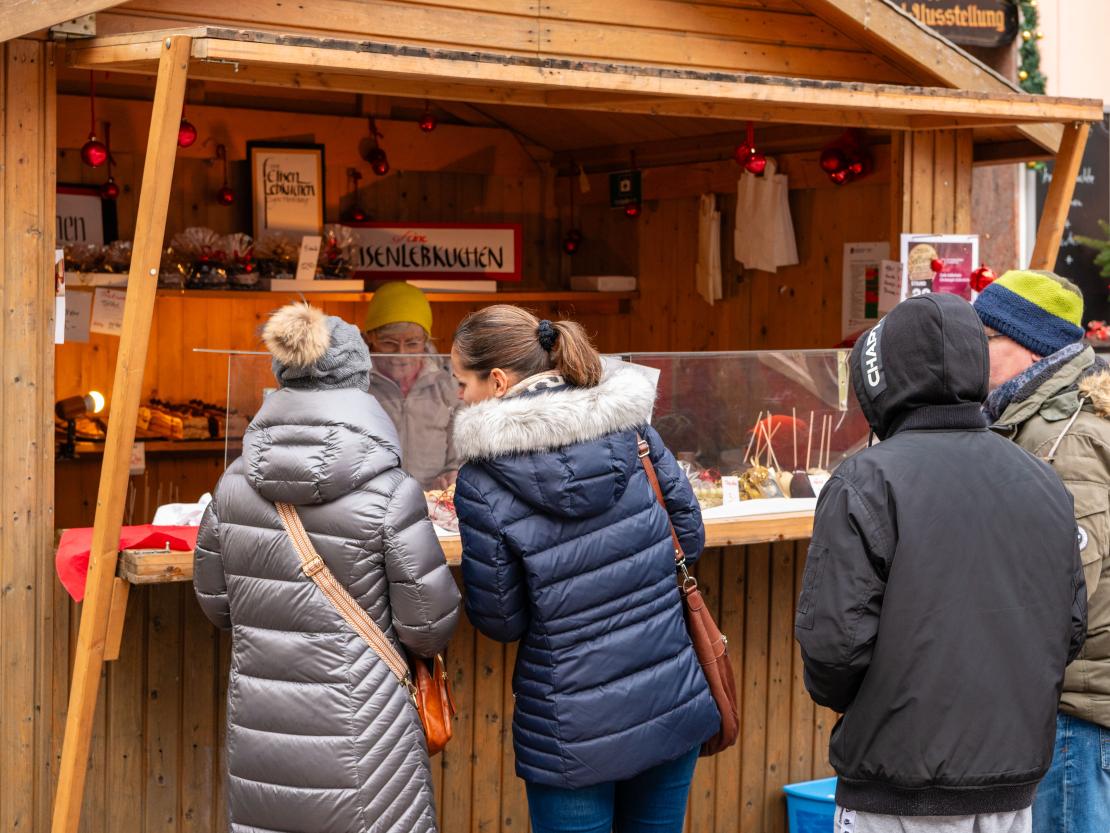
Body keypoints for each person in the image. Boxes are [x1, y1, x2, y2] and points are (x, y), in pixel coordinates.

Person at [796, 293, 1086, 833]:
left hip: (897, 783)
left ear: (882, 378)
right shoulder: (1042, 478)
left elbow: (833, 650)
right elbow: (1069, 631)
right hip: (1013, 786)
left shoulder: (866, 480)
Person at [448, 305, 720, 833]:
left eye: (462, 382)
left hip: (572, 728)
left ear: (498, 381)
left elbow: (502, 620)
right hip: (670, 700)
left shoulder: (481, 483)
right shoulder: (634, 433)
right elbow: (687, 538)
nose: (460, 397)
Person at [194, 302, 461, 833]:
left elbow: (218, 603)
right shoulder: (391, 491)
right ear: (361, 379)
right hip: (367, 721)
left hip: (262, 725)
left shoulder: (231, 486)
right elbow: (427, 627)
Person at [973, 270, 1110, 833]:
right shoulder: (1027, 417)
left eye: (984, 340)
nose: (972, 354)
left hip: (1071, 712)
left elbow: (1067, 584)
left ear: (1027, 346)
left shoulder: (1065, 435)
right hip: (1052, 701)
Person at [364, 281, 460, 490]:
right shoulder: (357, 385)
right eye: (389, 342)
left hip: (431, 503)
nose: (401, 353)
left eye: (412, 343)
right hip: (372, 502)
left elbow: (458, 451)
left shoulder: (445, 382)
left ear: (425, 339)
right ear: (371, 338)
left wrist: (451, 474)